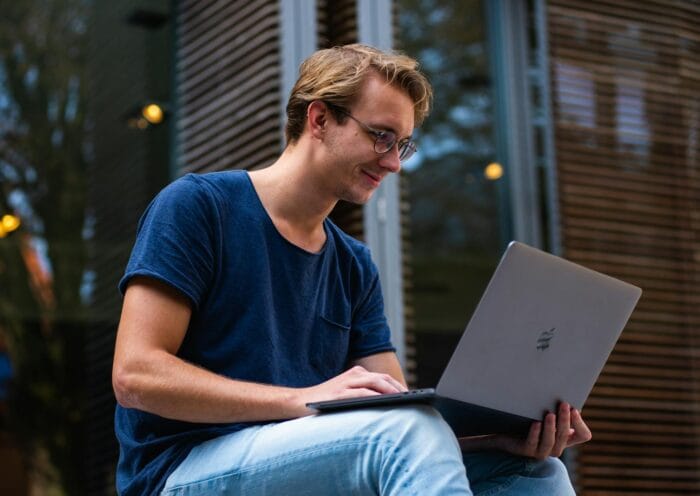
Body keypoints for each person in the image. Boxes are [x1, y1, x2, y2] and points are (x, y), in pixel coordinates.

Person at [112, 44, 591, 496]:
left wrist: (494, 439)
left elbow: (399, 419)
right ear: (319, 119)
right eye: (381, 136)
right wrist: (303, 399)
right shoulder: (199, 207)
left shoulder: (353, 264)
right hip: (181, 470)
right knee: (406, 429)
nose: (393, 163)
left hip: (304, 462)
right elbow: (135, 377)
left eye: (403, 145)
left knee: (535, 472)